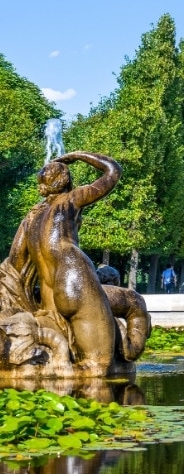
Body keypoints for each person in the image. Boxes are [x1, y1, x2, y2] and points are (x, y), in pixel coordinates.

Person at [8, 151, 122, 373]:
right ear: (66, 180)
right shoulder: (71, 199)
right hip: (74, 276)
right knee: (97, 365)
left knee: (69, 360)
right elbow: (113, 172)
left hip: (48, 299)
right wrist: (78, 155)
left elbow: (15, 262)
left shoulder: (31, 217)